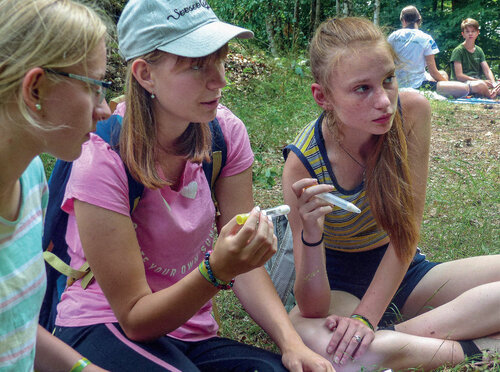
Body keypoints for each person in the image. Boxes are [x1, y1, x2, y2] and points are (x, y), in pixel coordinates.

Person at [51, 0, 333, 371]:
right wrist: (216, 271)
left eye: (220, 59)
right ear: (144, 74)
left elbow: (244, 260)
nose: (220, 80)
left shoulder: (225, 134)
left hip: (190, 332)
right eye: (198, 65)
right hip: (105, 325)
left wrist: (292, 344)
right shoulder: (100, 157)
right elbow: (135, 319)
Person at [282, 17, 500, 371]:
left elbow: (406, 230)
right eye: (362, 89)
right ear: (323, 97)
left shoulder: (411, 111)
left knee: (355, 352)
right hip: (338, 284)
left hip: (401, 267)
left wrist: (368, 322)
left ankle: (390, 341)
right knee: (309, 337)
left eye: (388, 80)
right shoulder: (302, 163)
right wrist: (309, 234)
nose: (384, 101)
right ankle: (480, 347)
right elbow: (311, 307)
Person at [0, 0, 111, 371]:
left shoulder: (30, 177)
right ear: (35, 89)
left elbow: (16, 326)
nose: (106, 109)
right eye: (95, 87)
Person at [388, 5, 483, 99]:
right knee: (463, 89)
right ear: (419, 20)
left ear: (403, 20)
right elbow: (433, 72)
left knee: (443, 74)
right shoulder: (426, 38)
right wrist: (448, 85)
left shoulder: (392, 37)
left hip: (396, 83)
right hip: (418, 85)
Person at [450, 17, 499, 98]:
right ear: (463, 34)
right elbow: (459, 76)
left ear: (477, 33)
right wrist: (480, 81)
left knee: (496, 85)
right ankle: (490, 96)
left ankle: (492, 92)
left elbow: (487, 70)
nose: (470, 34)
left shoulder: (479, 50)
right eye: (467, 31)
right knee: (480, 85)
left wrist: (493, 83)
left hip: (477, 82)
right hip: (462, 84)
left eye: (473, 31)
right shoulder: (458, 51)